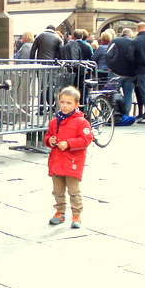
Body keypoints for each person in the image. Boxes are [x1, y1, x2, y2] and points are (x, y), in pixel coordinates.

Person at [45, 86, 93, 229]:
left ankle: (76, 214)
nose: (65, 105)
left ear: (76, 105)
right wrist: (50, 140)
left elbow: (86, 140)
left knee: (74, 191)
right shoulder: (54, 121)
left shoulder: (81, 122)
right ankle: (60, 212)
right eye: (62, 102)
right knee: (57, 190)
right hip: (57, 161)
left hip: (73, 162)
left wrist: (68, 143)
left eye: (69, 103)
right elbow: (47, 136)